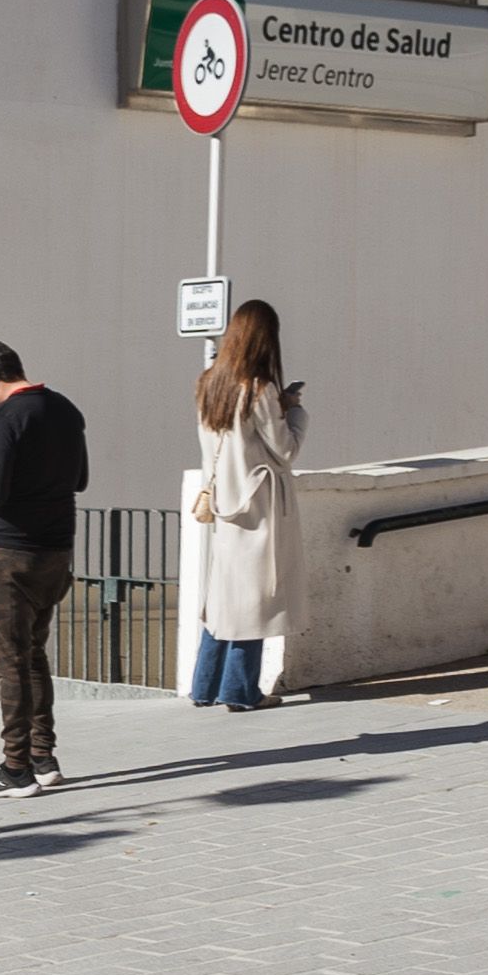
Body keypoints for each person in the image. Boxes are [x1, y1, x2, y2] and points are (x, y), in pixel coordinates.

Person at [0, 340, 89, 797]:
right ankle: (43, 757)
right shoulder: (66, 410)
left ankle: (16, 770)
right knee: (33, 654)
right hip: (57, 551)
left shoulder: (4, 418)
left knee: (10, 662)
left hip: (11, 554)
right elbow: (80, 480)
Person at [190, 299, 306, 712]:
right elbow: (284, 449)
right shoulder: (259, 387)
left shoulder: (209, 383)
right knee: (253, 598)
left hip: (224, 503)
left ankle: (204, 686)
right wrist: (293, 412)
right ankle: (240, 691)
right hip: (257, 502)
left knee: (223, 595)